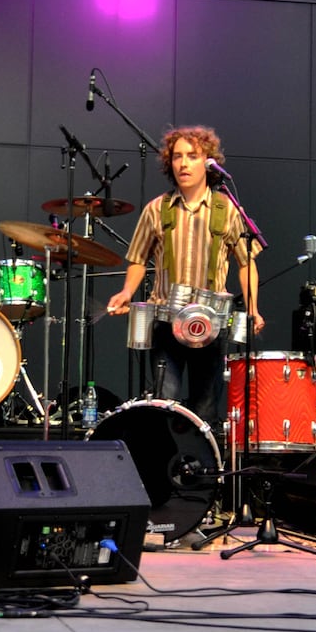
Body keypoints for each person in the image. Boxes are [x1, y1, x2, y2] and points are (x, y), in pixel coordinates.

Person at [107, 125, 264, 427]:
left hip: (211, 323)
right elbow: (138, 259)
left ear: (208, 162)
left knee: (205, 410)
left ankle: (200, 470)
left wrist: (254, 308)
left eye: (192, 156)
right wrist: (127, 292)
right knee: (165, 404)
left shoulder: (228, 209)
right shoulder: (156, 209)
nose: (183, 163)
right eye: (177, 156)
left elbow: (246, 263)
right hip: (166, 321)